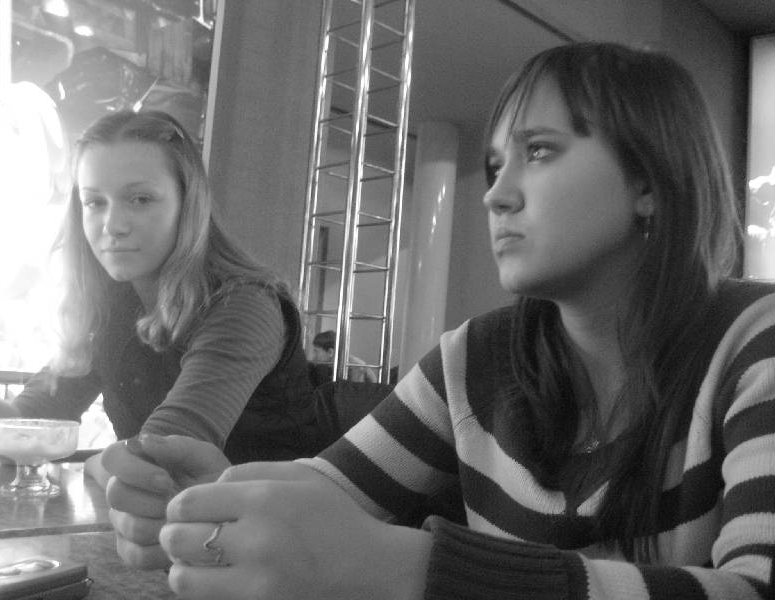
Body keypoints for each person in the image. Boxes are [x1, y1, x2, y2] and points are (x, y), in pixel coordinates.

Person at [102, 43, 775, 599]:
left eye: (540, 151)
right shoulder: (476, 358)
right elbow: (330, 489)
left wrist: (413, 570)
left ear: (648, 181)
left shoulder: (753, 341)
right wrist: (212, 505)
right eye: (495, 165)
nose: (496, 194)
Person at [0, 109, 325, 487]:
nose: (112, 225)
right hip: (167, 520)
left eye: (140, 199)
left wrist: (96, 463)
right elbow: (19, 438)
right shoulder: (111, 309)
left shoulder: (246, 306)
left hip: (273, 521)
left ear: (188, 204)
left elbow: (163, 464)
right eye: (94, 202)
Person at [311, 330, 379, 383]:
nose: (314, 355)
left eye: (316, 351)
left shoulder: (354, 366)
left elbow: (355, 392)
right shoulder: (332, 365)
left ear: (330, 352)